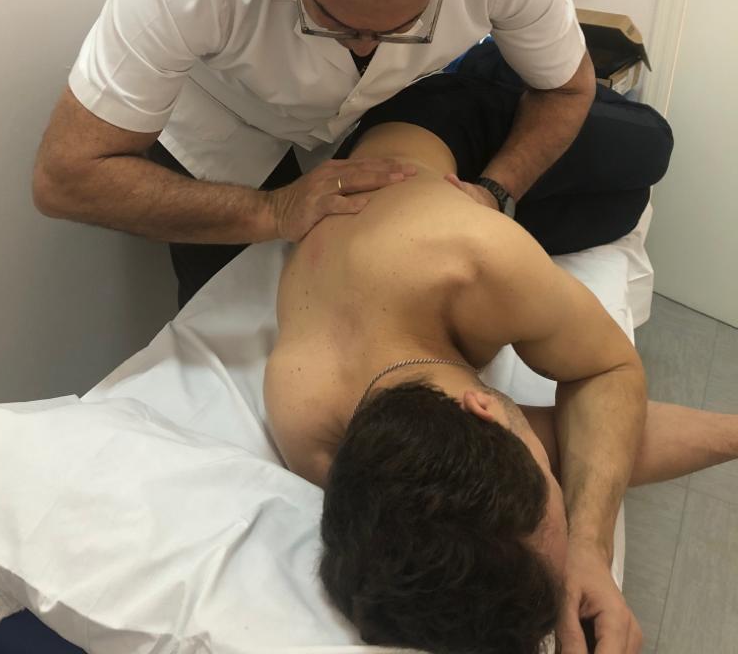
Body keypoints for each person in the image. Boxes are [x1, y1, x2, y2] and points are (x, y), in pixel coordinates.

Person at [32, 0, 604, 309]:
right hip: (225, 126)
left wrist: (495, 191)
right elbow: (65, 176)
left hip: (374, 117)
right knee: (232, 312)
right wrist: (272, 211)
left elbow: (567, 88)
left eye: (399, 26)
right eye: (332, 18)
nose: (362, 45)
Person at [263, 81, 694, 654]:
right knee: (623, 206)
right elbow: (577, 442)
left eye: (551, 487)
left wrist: (591, 544)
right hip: (407, 214)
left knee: (650, 148)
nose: (554, 472)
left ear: (484, 408)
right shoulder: (336, 449)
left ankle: (514, 72)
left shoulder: (479, 264)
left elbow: (610, 370)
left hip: (434, 122)